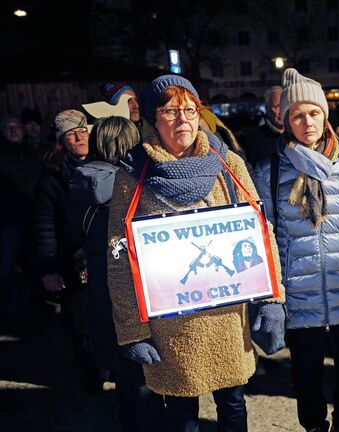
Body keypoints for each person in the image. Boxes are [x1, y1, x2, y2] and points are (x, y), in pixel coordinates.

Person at [106, 74, 285, 432]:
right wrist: (132, 331)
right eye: (170, 111)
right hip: (171, 326)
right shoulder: (134, 174)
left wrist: (272, 300)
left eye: (190, 109)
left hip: (226, 316)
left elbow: (261, 233)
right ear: (153, 119)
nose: (182, 119)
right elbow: (119, 257)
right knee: (181, 413)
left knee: (233, 404)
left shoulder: (228, 165)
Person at [252, 68, 339, 432]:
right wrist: (274, 296)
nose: (307, 122)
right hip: (299, 294)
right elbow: (269, 236)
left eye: (313, 113)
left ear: (325, 115)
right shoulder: (270, 168)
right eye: (298, 114)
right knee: (306, 375)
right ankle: (314, 426)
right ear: (286, 120)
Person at [66, 114, 164, 431]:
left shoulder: (78, 182)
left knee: (126, 380)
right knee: (148, 378)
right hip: (136, 289)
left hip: (100, 287)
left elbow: (71, 234)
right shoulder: (133, 190)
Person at [34, 109, 103, 390]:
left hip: (103, 256)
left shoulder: (104, 165)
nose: (79, 137)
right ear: (62, 141)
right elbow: (44, 226)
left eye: (83, 131)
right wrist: (49, 269)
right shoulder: (52, 179)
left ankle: (110, 366)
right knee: (81, 320)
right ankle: (93, 374)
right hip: (72, 261)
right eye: (72, 134)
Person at [0, 115, 41, 329]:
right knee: (6, 268)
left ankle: (41, 308)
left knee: (35, 264)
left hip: (34, 218)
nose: (13, 130)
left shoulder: (33, 154)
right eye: (8, 128)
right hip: (9, 221)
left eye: (16, 127)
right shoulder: (2, 156)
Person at [242, 85, 284, 165]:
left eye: (284, 105)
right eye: (277, 106)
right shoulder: (253, 139)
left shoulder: (299, 135)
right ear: (267, 108)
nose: (282, 111)